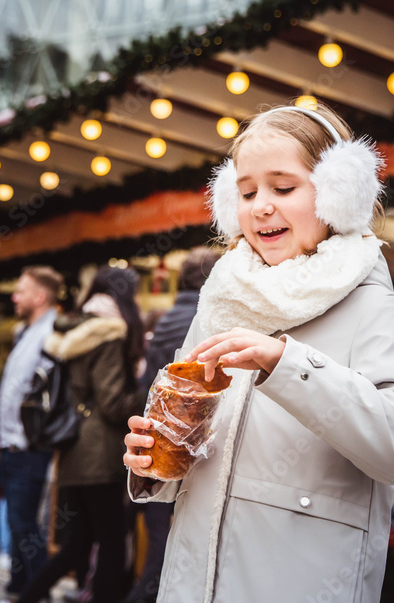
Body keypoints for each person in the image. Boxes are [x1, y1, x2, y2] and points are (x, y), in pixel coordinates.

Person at [123, 103, 394, 602]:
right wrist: (152, 465)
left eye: (283, 188)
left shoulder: (374, 307)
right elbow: (189, 445)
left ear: (339, 193)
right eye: (246, 192)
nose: (260, 206)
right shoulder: (221, 301)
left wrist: (286, 364)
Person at [18, 266, 146, 603]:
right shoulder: (109, 333)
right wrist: (150, 389)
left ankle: (27, 596)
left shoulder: (70, 329)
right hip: (100, 452)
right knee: (112, 540)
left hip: (73, 447)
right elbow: (114, 403)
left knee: (77, 543)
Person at [121, 247, 219, 603]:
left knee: (159, 545)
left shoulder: (166, 319)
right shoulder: (201, 318)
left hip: (156, 443)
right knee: (163, 554)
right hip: (181, 448)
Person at [0, 266, 64, 599]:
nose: (14, 297)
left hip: (31, 446)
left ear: (39, 296)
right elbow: (13, 392)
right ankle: (20, 586)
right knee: (19, 522)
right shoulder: (25, 332)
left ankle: (37, 590)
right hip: (12, 443)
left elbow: (45, 396)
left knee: (25, 523)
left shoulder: (52, 334)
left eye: (21, 290)